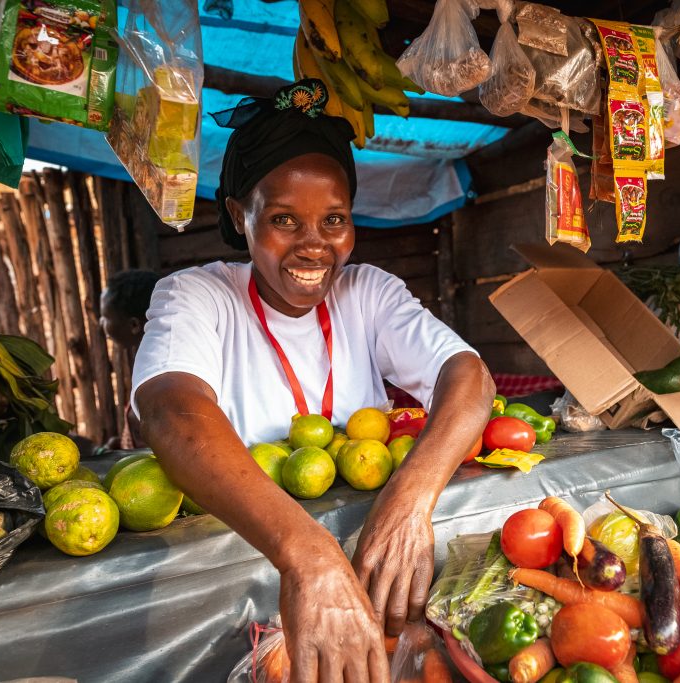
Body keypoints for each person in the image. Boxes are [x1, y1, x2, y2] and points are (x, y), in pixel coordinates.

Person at [131, 79, 494, 682]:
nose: (314, 246)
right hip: (241, 591)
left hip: (363, 591)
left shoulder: (368, 292)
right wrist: (308, 556)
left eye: (334, 219)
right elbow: (170, 411)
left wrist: (410, 500)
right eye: (283, 220)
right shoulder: (198, 295)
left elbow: (469, 376)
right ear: (237, 216)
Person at [98, 269, 159, 451]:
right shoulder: (146, 362)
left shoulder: (157, 376)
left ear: (134, 325)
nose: (101, 323)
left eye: (106, 317)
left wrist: (103, 453)